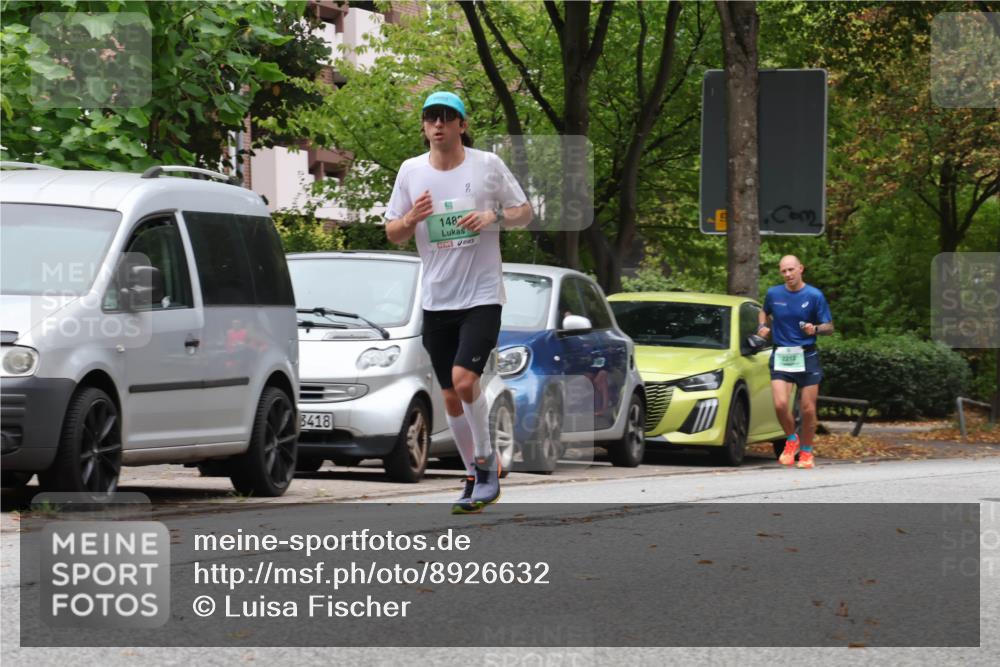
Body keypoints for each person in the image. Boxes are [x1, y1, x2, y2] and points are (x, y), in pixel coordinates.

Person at [385, 91, 532, 513]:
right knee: (450, 397)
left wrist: (493, 217)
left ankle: (487, 468)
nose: (438, 125)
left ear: (462, 125)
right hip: (437, 299)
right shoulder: (411, 171)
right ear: (424, 126)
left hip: (482, 295)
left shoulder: (486, 165)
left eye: (447, 118)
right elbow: (393, 232)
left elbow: (524, 211)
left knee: (466, 381)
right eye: (431, 118)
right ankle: (471, 474)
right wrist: (411, 219)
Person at [757, 255, 834, 469]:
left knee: (808, 409)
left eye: (791, 269)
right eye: (783, 271)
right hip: (782, 354)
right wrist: (762, 327)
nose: (788, 274)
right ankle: (792, 440)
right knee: (780, 404)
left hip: (806, 356)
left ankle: (807, 451)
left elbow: (829, 326)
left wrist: (816, 329)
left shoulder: (814, 295)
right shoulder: (774, 293)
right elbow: (764, 311)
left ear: (801, 268)